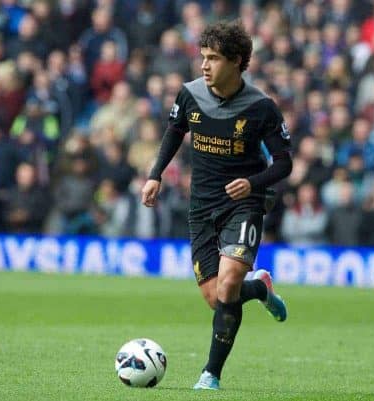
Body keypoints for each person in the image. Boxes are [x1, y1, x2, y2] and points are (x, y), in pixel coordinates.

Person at [141, 21, 292, 390]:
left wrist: (252, 184)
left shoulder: (261, 108)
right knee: (216, 299)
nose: (204, 66)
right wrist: (155, 174)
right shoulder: (190, 94)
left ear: (237, 62)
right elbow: (174, 132)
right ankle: (260, 289)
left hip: (244, 205)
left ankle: (211, 374)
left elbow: (284, 163)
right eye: (202, 57)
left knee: (227, 287)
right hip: (201, 207)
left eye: (213, 59)